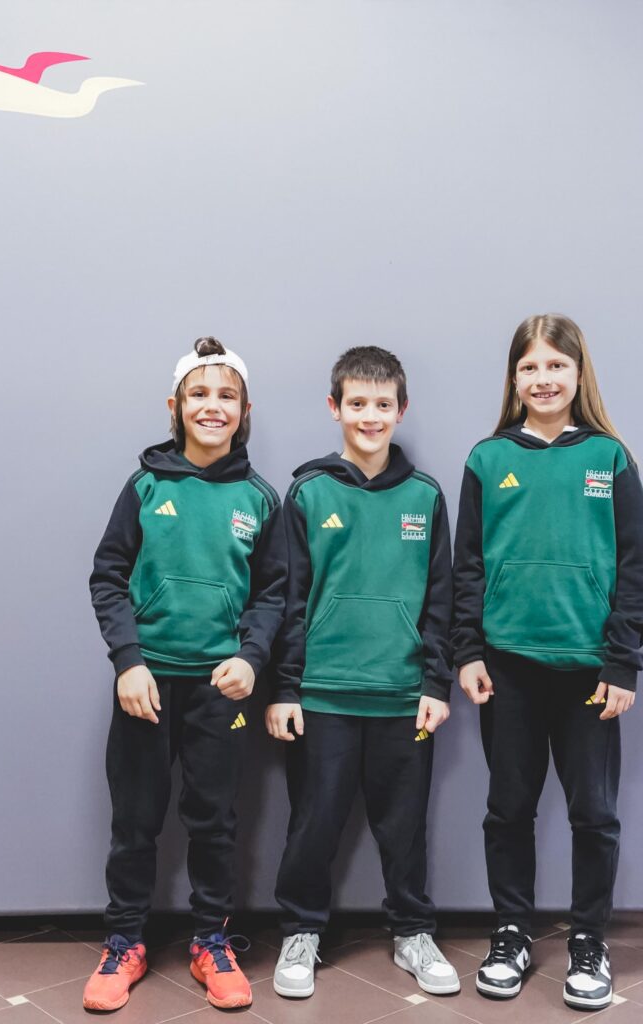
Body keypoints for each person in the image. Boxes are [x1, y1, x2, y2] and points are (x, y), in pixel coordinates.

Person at [452, 314, 643, 1011]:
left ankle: (589, 939)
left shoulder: (609, 457)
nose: (543, 379)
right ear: (514, 378)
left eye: (555, 366)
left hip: (590, 673)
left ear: (578, 374)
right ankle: (511, 931)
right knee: (508, 808)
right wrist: (467, 651)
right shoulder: (487, 459)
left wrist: (622, 661)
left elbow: (640, 567)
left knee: (593, 814)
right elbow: (467, 567)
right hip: (508, 668)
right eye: (529, 367)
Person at [84, 337, 286, 1012]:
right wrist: (128, 661)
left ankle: (210, 941)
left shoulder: (259, 498)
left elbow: (274, 594)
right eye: (199, 394)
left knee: (215, 821)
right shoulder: (144, 486)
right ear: (174, 406)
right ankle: (124, 942)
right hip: (145, 686)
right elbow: (108, 577)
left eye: (226, 395)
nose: (212, 406)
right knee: (135, 820)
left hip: (218, 692)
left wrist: (251, 657)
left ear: (244, 411)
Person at [266, 346, 460, 999]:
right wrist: (284, 688)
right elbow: (289, 599)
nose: (369, 416)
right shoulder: (308, 492)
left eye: (382, 404)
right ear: (335, 408)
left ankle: (413, 931)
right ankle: (301, 931)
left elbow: (441, 601)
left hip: (403, 696)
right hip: (321, 695)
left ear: (401, 410)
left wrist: (436, 683)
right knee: (313, 823)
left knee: (404, 828)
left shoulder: (425, 496)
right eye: (357, 404)